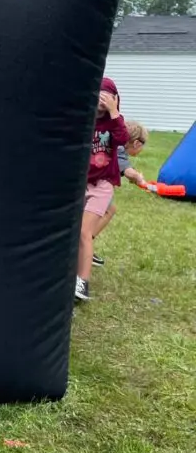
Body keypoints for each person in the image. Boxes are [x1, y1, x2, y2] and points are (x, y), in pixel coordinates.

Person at [75, 77, 128, 302]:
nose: (101, 101)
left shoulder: (114, 123)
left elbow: (123, 138)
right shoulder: (84, 121)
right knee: (74, 232)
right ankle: (72, 270)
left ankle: (82, 283)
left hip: (102, 185)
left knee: (84, 232)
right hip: (80, 184)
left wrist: (115, 112)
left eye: (106, 97)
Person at [90, 120, 148, 267]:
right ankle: (85, 246)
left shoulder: (111, 140)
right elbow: (126, 169)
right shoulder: (119, 147)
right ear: (136, 143)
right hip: (92, 185)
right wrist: (138, 178)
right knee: (109, 210)